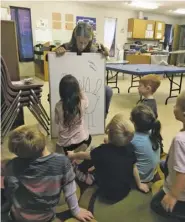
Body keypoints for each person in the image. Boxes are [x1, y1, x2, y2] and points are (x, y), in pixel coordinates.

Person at [3, 125, 93, 222]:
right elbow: (70, 191)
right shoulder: (62, 162)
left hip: (18, 216)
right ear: (44, 141)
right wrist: (76, 211)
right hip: (45, 218)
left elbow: (10, 188)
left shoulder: (12, 165)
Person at [68, 113, 149, 203]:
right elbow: (134, 167)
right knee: (98, 155)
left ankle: (87, 177)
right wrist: (139, 184)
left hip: (107, 193)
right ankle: (92, 173)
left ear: (109, 131)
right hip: (125, 189)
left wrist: (72, 155)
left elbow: (83, 155)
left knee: (89, 155)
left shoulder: (101, 151)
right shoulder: (130, 148)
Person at [55, 21, 113, 118]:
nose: (82, 46)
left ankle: (101, 118)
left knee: (107, 91)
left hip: (88, 83)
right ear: (75, 38)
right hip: (71, 84)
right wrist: (56, 52)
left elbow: (101, 64)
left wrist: (105, 54)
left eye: (86, 43)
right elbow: (49, 59)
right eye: (80, 42)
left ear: (90, 40)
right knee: (54, 94)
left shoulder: (94, 50)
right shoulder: (66, 47)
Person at [151, 91, 185, 221]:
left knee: (155, 205)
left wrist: (173, 195)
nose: (173, 107)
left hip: (180, 191)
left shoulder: (180, 140)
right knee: (163, 164)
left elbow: (182, 173)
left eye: (176, 105)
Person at [55, 75, 91, 154]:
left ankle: (68, 154)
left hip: (65, 144)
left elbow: (57, 121)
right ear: (76, 90)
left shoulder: (58, 106)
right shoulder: (82, 103)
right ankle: (76, 154)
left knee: (59, 148)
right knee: (89, 138)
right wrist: (81, 91)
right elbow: (86, 100)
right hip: (80, 140)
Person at [131, 104, 162, 183]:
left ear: (134, 122)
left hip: (140, 177)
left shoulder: (133, 139)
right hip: (151, 173)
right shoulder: (154, 132)